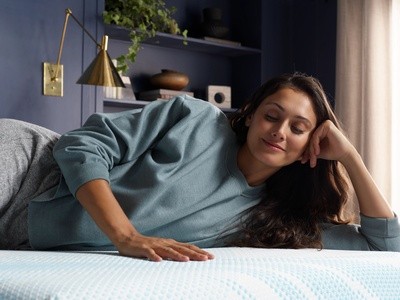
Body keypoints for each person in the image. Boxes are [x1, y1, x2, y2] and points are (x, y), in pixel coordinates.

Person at [1, 73, 399, 262]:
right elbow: (81, 144)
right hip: (26, 168)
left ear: (309, 148)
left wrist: (351, 158)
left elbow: (385, 247)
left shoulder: (273, 222)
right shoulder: (194, 118)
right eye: (271, 116)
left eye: (298, 129)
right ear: (250, 116)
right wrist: (126, 236)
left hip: (24, 238)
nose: (279, 132)